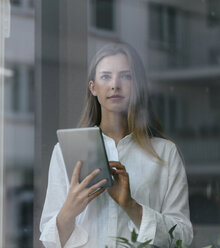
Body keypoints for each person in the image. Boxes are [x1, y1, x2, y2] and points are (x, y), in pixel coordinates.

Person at [39, 43, 193, 248]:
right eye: (105, 76)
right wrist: (70, 209)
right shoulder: (65, 151)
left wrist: (131, 205)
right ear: (92, 87)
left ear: (136, 85)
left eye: (126, 76)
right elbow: (50, 241)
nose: (115, 85)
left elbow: (182, 237)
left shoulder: (165, 153)